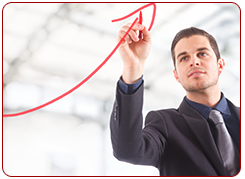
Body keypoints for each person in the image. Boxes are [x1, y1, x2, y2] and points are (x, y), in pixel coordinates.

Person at [110, 21, 240, 176]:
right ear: (176, 75)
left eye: (202, 54)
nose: (194, 61)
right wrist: (133, 67)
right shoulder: (165, 124)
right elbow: (128, 150)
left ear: (220, 65)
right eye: (184, 58)